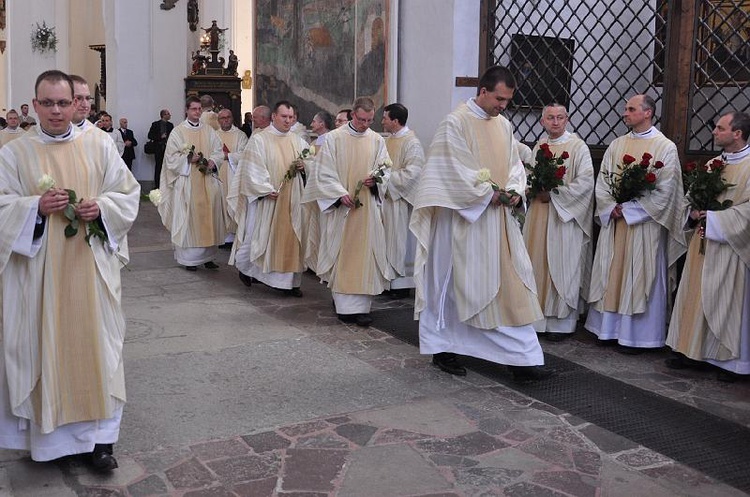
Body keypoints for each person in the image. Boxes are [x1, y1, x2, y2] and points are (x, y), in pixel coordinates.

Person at [0, 70, 140, 470]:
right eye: (48, 103)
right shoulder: (13, 152)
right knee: (44, 347)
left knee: (101, 349)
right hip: (39, 276)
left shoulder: (99, 146)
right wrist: (34, 209)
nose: (57, 111)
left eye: (64, 102)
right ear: (35, 104)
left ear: (76, 103)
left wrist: (103, 208)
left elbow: (127, 193)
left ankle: (101, 442)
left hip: (90, 270)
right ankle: (49, 443)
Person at [410, 66, 551, 382]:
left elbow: (515, 165)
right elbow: (451, 169)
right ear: (483, 91)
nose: (503, 105)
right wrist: (488, 194)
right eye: (499, 98)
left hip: (495, 221)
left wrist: (514, 191)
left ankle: (523, 359)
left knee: (508, 285)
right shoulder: (455, 123)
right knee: (452, 285)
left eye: (508, 100)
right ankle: (443, 347)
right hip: (462, 220)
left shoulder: (503, 125)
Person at [585, 94, 686, 352]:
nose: (625, 113)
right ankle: (607, 330)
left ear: (648, 113)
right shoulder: (617, 145)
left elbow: (666, 192)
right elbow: (604, 182)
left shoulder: (665, 147)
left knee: (641, 274)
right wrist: (611, 207)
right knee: (612, 272)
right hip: (617, 224)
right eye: (626, 109)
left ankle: (638, 338)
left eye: (631, 109)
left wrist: (629, 210)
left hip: (644, 227)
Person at [666, 111, 750, 382]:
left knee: (724, 299)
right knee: (695, 295)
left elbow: (748, 212)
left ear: (737, 133)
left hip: (730, 248)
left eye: (720, 128)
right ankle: (692, 351)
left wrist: (714, 219)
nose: (714, 132)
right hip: (701, 243)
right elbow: (689, 199)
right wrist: (692, 212)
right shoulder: (713, 163)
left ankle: (730, 363)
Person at [302, 97, 393, 327]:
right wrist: (338, 193)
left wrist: (378, 180)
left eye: (370, 120)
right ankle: (343, 306)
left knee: (365, 254)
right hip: (343, 208)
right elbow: (323, 172)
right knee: (343, 252)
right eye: (362, 119)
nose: (365, 124)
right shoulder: (334, 139)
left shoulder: (376, 140)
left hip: (367, 210)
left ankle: (362, 308)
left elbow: (385, 167)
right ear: (353, 115)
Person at [523, 103, 594, 340]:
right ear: (543, 121)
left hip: (563, 217)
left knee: (563, 265)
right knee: (537, 262)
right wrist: (532, 190)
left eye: (560, 117)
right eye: (550, 118)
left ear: (567, 119)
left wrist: (553, 194)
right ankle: (537, 319)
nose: (555, 122)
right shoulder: (539, 147)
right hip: (539, 216)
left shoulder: (578, 147)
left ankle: (560, 323)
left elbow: (585, 184)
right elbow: (531, 176)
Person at [228, 101, 309, 296]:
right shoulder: (260, 140)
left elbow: (311, 161)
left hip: (292, 199)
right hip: (269, 199)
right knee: (261, 237)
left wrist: (304, 166)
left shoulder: (298, 141)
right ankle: (250, 270)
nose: (288, 121)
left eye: (291, 117)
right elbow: (252, 167)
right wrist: (264, 189)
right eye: (284, 117)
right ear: (274, 116)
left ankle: (290, 283)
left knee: (292, 237)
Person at [156, 96, 224, 271]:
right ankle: (189, 260)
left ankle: (208, 256)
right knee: (189, 218)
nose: (197, 112)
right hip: (187, 182)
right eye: (194, 109)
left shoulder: (209, 130)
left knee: (209, 215)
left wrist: (213, 162)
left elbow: (218, 150)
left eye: (199, 109)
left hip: (207, 181)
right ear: (186, 110)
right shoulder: (178, 132)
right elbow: (170, 158)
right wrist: (187, 158)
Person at [381, 103, 425, 297]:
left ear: (395, 121)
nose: (382, 121)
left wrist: (385, 179)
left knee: (400, 242)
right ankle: (387, 281)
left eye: (385, 118)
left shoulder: (412, 143)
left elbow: (413, 173)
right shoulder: (389, 140)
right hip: (386, 200)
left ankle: (401, 284)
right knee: (386, 241)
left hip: (400, 201)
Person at [304, 110, 334, 273]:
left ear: (322, 124)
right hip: (315, 190)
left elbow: (322, 166)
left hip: (325, 192)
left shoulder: (330, 141)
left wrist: (307, 164)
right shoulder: (316, 141)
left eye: (314, 121)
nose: (311, 124)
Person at [215, 108, 248, 248]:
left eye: (228, 117)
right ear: (218, 121)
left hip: (234, 175)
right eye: (222, 118)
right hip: (216, 175)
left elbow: (245, 155)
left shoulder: (240, 135)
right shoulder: (214, 135)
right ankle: (220, 236)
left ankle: (232, 236)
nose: (225, 120)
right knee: (219, 204)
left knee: (232, 203)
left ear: (232, 118)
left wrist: (228, 156)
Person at [147, 109, 174, 188]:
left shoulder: (170, 125)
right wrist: (160, 137)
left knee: (168, 167)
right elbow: (150, 135)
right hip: (158, 148)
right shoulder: (155, 124)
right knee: (158, 167)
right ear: (163, 115)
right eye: (168, 114)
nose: (169, 115)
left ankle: (166, 185)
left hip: (168, 148)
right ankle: (157, 185)